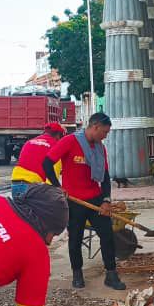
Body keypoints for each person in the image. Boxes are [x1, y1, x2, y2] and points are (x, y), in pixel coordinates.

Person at [43, 112, 126, 291]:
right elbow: (47, 163)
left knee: (107, 235)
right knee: (75, 239)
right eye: (104, 132)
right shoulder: (70, 142)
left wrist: (106, 200)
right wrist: (57, 186)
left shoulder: (100, 148)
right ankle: (77, 274)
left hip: (95, 199)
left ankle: (111, 274)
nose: (105, 136)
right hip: (73, 201)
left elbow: (104, 177)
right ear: (95, 127)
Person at [10, 121, 65, 199]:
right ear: (58, 135)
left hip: (15, 184)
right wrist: (59, 189)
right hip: (33, 187)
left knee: (19, 210)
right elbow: (51, 183)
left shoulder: (29, 142)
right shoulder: (56, 147)